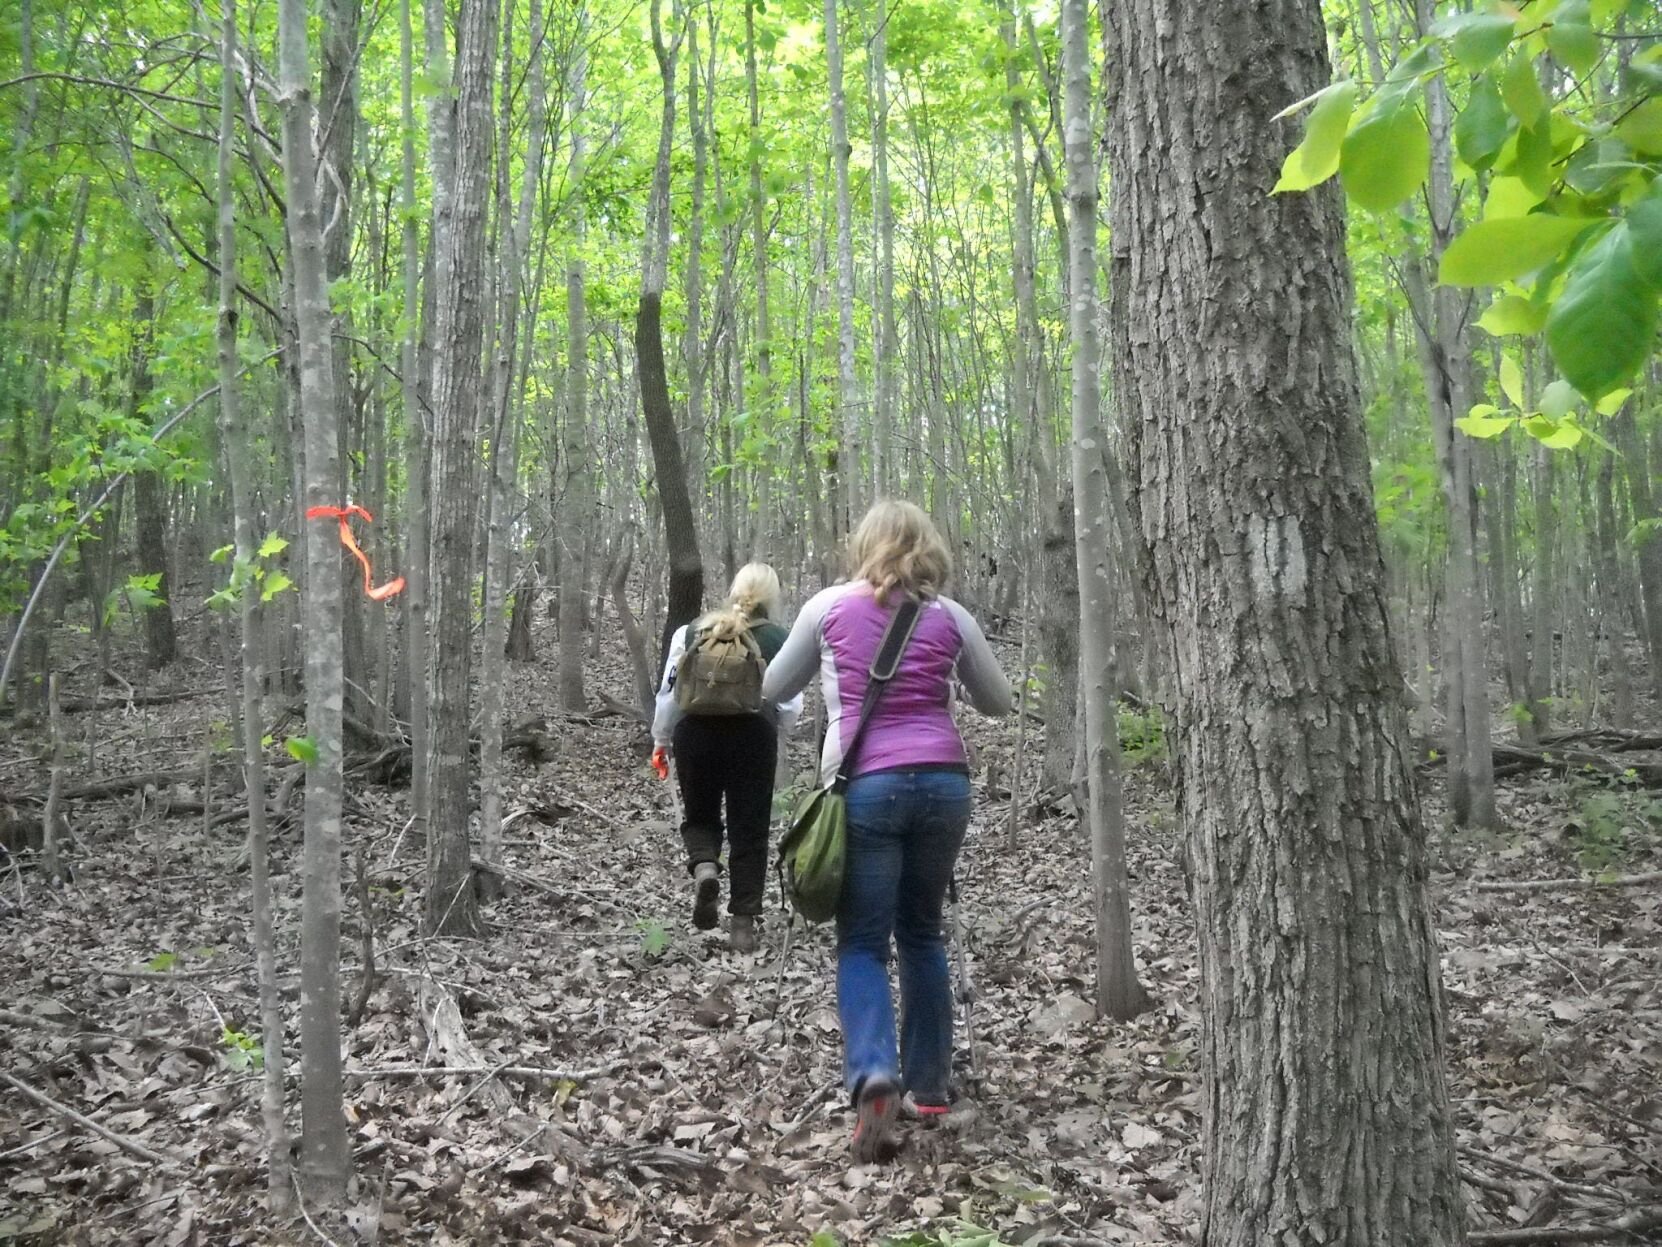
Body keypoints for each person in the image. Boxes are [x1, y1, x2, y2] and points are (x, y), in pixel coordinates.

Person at [762, 501, 1012, 1162]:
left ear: (864, 545)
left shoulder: (827, 607)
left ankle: (874, 1072)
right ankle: (930, 1085)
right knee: (923, 930)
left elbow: (771, 683)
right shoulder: (950, 617)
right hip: (944, 785)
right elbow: (998, 700)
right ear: (928, 548)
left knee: (864, 941)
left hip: (865, 786)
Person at [653, 563, 801, 953]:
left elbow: (669, 692)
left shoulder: (692, 632)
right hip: (753, 735)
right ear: (771, 597)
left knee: (700, 816)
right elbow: (790, 704)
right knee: (749, 827)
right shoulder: (777, 638)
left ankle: (704, 866)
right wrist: (777, 728)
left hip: (694, 733)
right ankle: (742, 925)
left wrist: (661, 739)